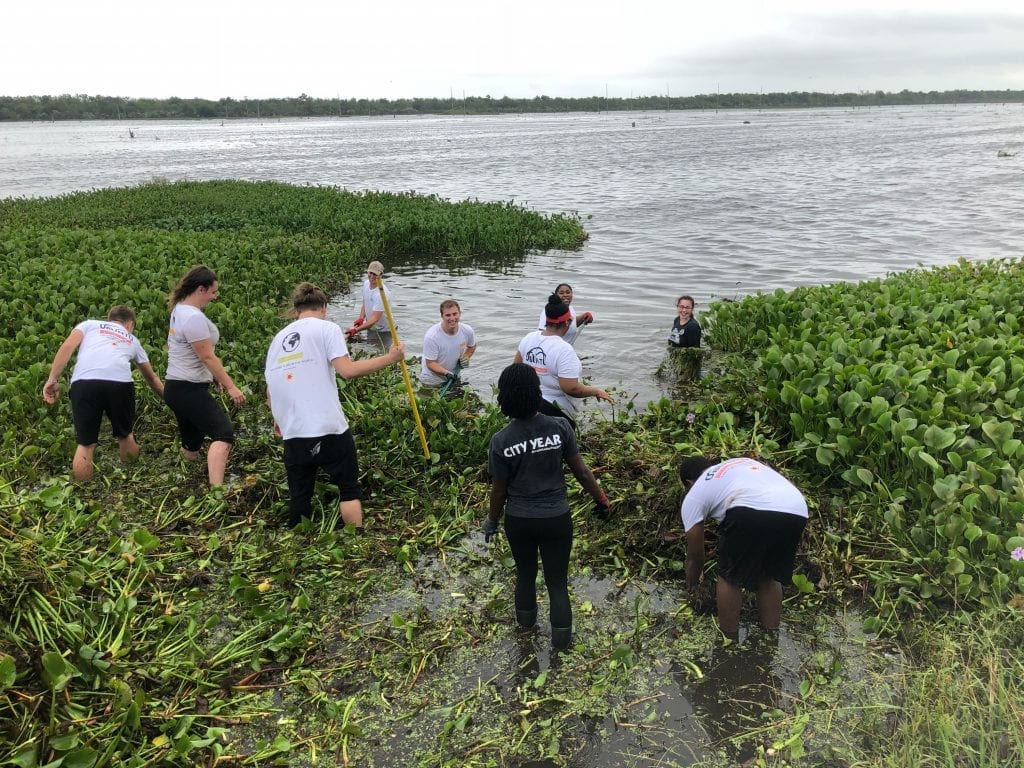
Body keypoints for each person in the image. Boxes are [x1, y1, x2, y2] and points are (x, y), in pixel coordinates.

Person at [483, 363, 610, 650]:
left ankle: (525, 637)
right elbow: (582, 472)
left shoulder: (501, 441)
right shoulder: (560, 427)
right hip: (556, 518)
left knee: (525, 575)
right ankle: (561, 646)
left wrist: (492, 521)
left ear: (505, 398)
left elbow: (499, 491)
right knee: (557, 583)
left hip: (520, 521)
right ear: (536, 393)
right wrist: (601, 500)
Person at [265, 282, 406, 529]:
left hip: (294, 431)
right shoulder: (327, 328)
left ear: (297, 309)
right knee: (348, 488)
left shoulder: (278, 338)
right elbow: (347, 371)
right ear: (324, 308)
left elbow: (271, 388)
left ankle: (298, 545)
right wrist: (391, 358)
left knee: (300, 496)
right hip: (329, 428)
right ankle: (357, 538)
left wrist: (279, 420)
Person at [678, 456, 808, 640]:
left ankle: (728, 640)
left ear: (689, 483)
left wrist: (691, 588)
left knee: (729, 576)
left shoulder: (694, 494)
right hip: (796, 508)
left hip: (749, 510)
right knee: (768, 576)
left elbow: (696, 556)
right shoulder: (738, 463)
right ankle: (770, 637)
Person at [42, 305, 164, 481]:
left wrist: (52, 379)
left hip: (84, 383)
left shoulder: (89, 324)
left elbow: (68, 346)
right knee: (125, 434)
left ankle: (84, 492)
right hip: (119, 384)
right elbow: (151, 378)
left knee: (85, 444)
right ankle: (132, 480)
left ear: (109, 319)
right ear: (130, 324)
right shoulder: (132, 339)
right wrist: (171, 400)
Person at [164, 265, 246, 487]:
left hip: (176, 387)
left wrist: (214, 377)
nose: (214, 296)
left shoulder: (179, 310)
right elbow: (207, 357)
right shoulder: (192, 317)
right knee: (224, 433)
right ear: (201, 289)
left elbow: (195, 353)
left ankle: (180, 483)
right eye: (213, 291)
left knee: (192, 443)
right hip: (187, 388)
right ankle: (216, 492)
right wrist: (231, 386)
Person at [516, 293, 612, 427]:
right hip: (555, 411)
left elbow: (516, 369)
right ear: (567, 322)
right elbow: (571, 388)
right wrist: (596, 391)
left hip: (527, 404)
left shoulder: (529, 338)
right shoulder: (564, 350)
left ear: (547, 320)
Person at [420, 299, 476, 389]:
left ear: (460, 313)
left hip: (454, 375)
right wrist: (446, 373)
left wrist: (466, 357)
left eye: (455, 314)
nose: (452, 318)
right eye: (448, 315)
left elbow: (472, 346)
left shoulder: (467, 331)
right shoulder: (432, 336)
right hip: (432, 379)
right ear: (442, 316)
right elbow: (430, 363)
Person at [346, 260, 392, 339]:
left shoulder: (382, 294)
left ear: (381, 275)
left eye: (375, 274)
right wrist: (361, 318)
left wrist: (356, 330)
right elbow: (365, 304)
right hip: (371, 327)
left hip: (384, 331)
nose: (372, 276)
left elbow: (375, 319)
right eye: (370, 273)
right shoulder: (366, 284)